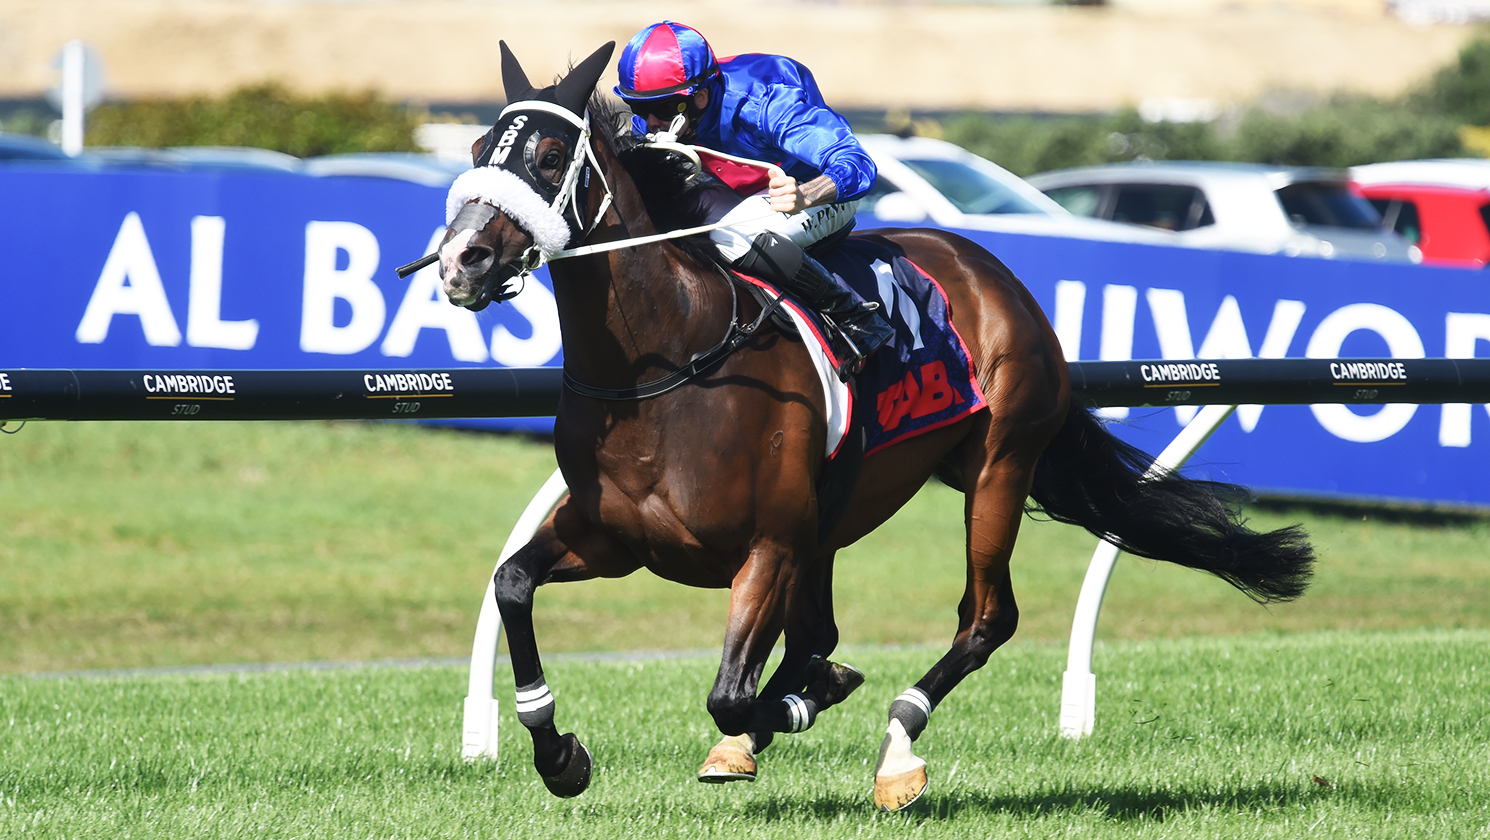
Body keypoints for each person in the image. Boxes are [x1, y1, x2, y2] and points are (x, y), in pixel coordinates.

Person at [614, 20, 894, 380]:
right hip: (744, 190)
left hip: (814, 191)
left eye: (665, 109)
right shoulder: (662, 113)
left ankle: (853, 317)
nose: (650, 122)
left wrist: (806, 194)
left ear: (700, 96)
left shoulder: (764, 104)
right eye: (639, 108)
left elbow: (858, 163)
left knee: (729, 237)